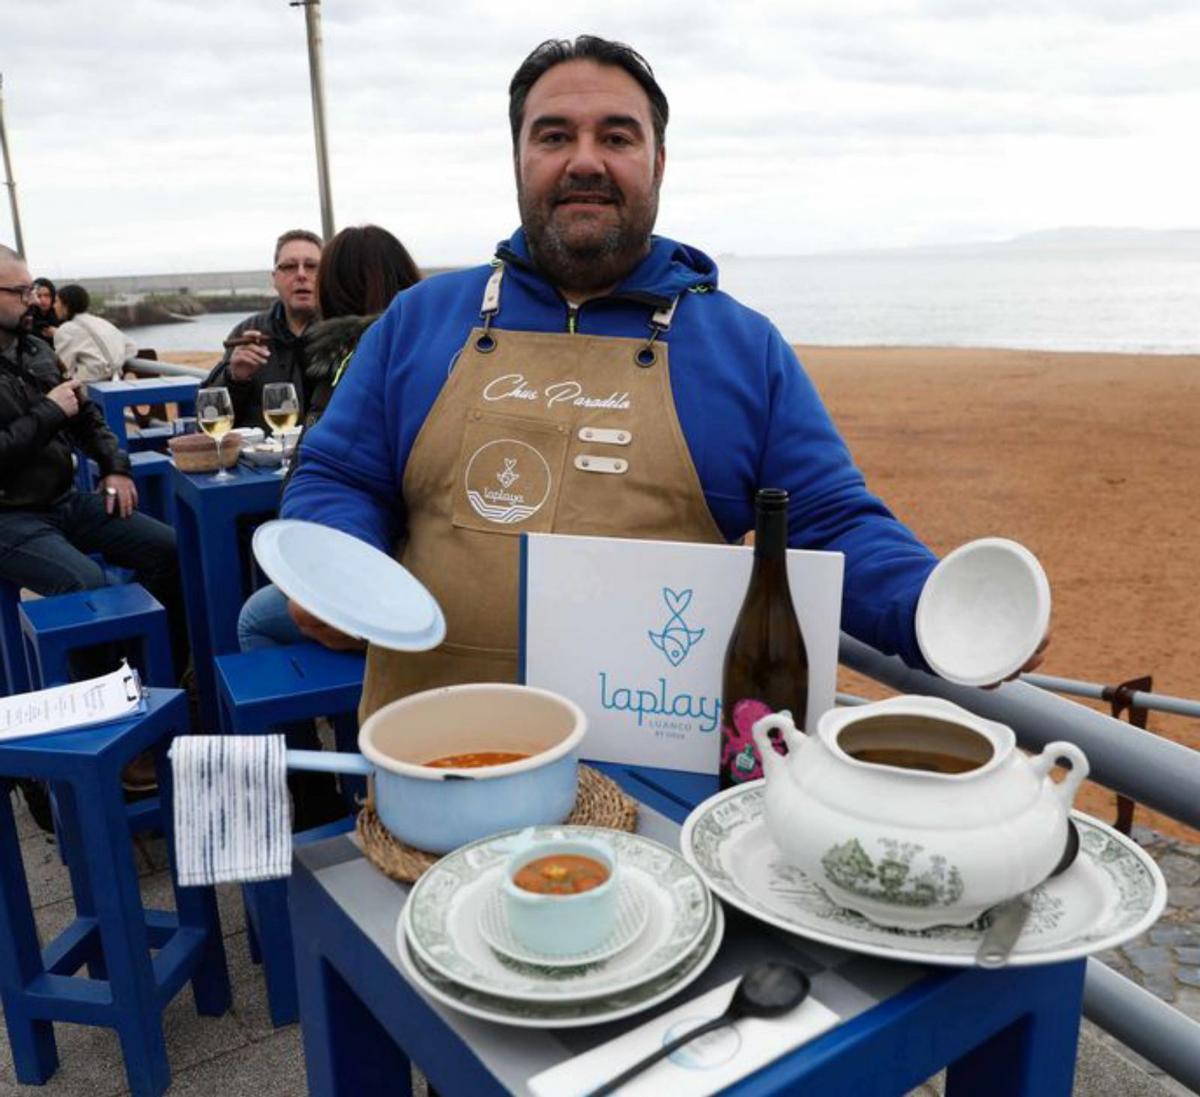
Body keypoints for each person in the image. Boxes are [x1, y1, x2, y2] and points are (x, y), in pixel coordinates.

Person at [282, 36, 1047, 722]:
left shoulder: (742, 349)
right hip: (439, 757)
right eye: (554, 136)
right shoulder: (420, 321)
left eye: (617, 136)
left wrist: (934, 610)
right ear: (518, 157)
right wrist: (338, 566)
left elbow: (833, 524)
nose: (585, 159)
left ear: (658, 162)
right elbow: (338, 475)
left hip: (664, 782)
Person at [235, 224, 421, 830]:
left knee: (253, 620)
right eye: (289, 267)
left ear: (334, 287)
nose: (301, 279)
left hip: (389, 588)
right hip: (427, 570)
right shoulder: (435, 347)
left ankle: (311, 790)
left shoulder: (347, 360)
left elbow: (326, 476)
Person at [0, 244, 190, 802]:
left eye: (32, 287)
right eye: (17, 291)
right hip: (8, 515)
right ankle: (109, 735)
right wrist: (49, 413)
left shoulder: (36, 347)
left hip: (64, 499)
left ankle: (148, 685)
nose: (33, 298)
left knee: (171, 550)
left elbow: (86, 417)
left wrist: (115, 468)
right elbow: (53, 416)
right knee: (84, 584)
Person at [204, 228, 323, 428]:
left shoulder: (343, 338)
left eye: (311, 266)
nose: (301, 274)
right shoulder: (246, 333)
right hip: (260, 457)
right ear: (275, 278)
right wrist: (235, 379)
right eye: (290, 266)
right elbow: (210, 417)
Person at [52, 283, 139, 382]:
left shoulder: (66, 329)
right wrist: (116, 365)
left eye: (56, 302)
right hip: (116, 382)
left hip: (90, 386)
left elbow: (64, 369)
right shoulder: (102, 322)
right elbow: (132, 347)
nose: (54, 306)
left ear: (66, 305)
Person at [25, 277, 58, 342]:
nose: (43, 300)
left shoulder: (59, 315)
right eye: (38, 296)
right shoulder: (26, 317)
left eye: (47, 295)